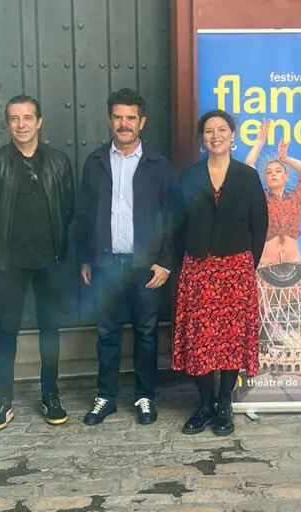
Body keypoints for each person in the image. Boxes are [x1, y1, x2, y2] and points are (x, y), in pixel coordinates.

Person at [0, 95, 75, 430]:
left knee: (50, 329)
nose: (21, 124)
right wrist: (4, 243)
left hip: (49, 259)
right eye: (14, 118)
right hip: (11, 263)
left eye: (28, 117)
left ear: (39, 121)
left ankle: (50, 395)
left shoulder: (60, 162)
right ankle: (3, 399)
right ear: (7, 124)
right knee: (7, 331)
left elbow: (69, 209)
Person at [77, 88, 173, 426]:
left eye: (130, 117)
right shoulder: (95, 161)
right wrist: (86, 257)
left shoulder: (158, 165)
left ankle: (145, 396)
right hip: (105, 262)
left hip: (145, 266)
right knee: (107, 333)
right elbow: (85, 213)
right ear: (109, 120)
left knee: (146, 333)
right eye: (118, 117)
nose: (124, 123)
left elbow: (171, 214)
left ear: (142, 122)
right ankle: (106, 396)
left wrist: (165, 261)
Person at [172, 109, 268, 437]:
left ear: (232, 136)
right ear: (203, 138)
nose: (216, 135)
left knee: (230, 339)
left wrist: (244, 265)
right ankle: (204, 404)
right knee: (201, 339)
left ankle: (224, 404)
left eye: (222, 129)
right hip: (198, 268)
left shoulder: (247, 176)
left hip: (235, 269)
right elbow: (178, 222)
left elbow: (260, 225)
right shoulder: (189, 176)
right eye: (209, 130)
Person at [245, 118, 301, 266]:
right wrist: (261, 140)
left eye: (278, 171)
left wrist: (285, 158)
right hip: (265, 265)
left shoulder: (296, 198)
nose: (273, 174)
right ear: (265, 178)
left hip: (294, 265)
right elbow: (249, 164)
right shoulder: (261, 197)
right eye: (269, 172)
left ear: (286, 176)